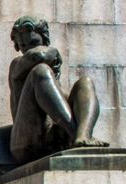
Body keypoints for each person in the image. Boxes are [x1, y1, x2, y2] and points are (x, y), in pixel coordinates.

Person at [8, 15, 108, 164]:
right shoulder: (17, 65)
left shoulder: (47, 80)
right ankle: (76, 136)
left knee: (85, 83)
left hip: (55, 139)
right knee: (40, 70)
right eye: (23, 46)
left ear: (44, 37)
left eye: (34, 43)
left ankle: (83, 134)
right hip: (26, 143)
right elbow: (39, 55)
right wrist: (52, 52)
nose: (29, 49)